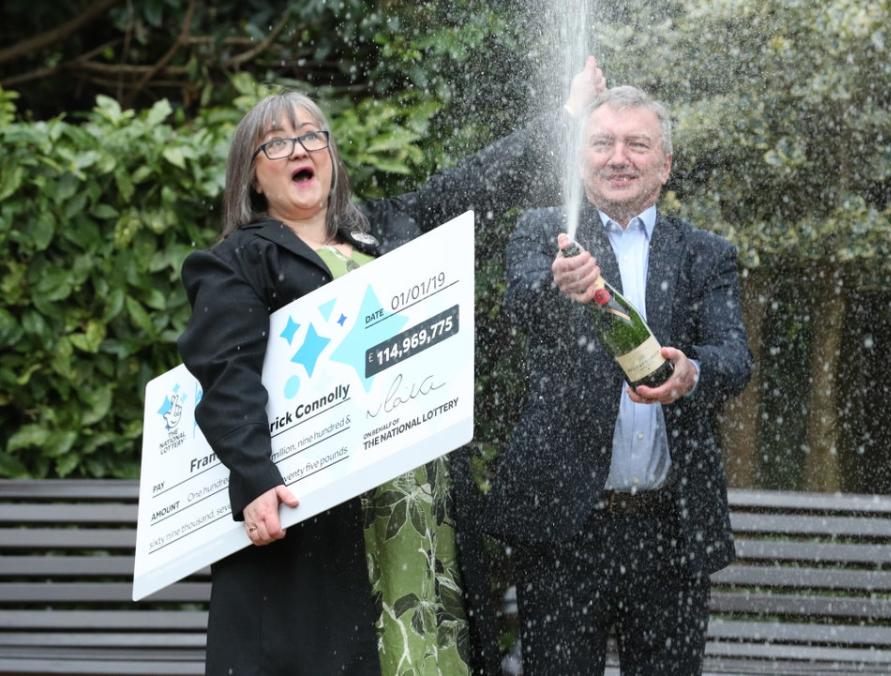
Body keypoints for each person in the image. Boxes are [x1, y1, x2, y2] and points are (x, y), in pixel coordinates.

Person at [176, 65, 604, 675]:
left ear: (331, 157)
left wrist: (567, 116)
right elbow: (225, 374)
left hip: (421, 495)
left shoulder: (388, 231)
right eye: (277, 142)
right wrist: (254, 476)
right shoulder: (238, 261)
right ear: (253, 172)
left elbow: (476, 183)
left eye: (312, 136)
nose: (299, 148)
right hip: (324, 515)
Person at [484, 84, 753, 674]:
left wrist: (692, 373)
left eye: (637, 144)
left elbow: (735, 357)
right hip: (564, 527)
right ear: (580, 158)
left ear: (666, 165)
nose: (618, 157)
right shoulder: (546, 234)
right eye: (602, 142)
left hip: (669, 531)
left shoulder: (706, 254)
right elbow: (521, 310)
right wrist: (563, 286)